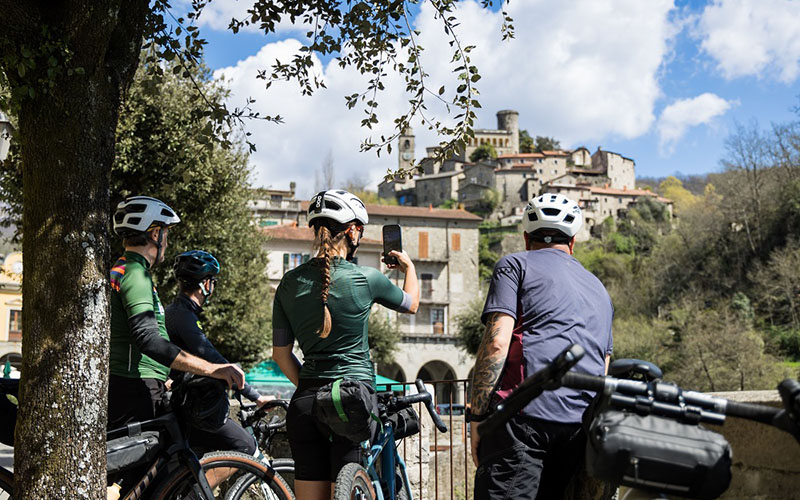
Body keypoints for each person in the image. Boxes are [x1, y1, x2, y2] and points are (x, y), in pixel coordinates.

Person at [272, 189, 419, 500]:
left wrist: (314, 388)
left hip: (304, 404)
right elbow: (412, 304)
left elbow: (281, 356)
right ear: (352, 231)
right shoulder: (367, 278)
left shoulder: (288, 283)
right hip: (349, 402)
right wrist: (408, 268)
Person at [469, 193, 614, 500]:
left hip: (521, 416)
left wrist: (478, 418)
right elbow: (603, 365)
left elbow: (496, 343)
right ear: (572, 243)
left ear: (525, 238)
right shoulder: (598, 288)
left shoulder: (514, 265)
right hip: (577, 428)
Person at [108, 196, 245, 430]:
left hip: (137, 384)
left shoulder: (122, 268)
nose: (167, 242)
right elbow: (149, 339)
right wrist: (212, 368)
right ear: (155, 235)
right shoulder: (135, 274)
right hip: (136, 388)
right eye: (166, 234)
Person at [165, 249, 273, 456]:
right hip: (192, 407)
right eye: (212, 281)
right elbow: (214, 360)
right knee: (246, 446)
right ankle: (198, 488)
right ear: (206, 284)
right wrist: (256, 396)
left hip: (181, 404)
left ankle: (191, 487)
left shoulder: (176, 311)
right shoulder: (184, 316)